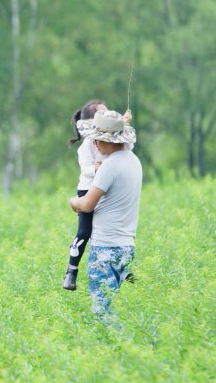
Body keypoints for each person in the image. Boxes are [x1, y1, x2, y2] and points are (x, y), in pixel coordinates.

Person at [68, 110, 141, 320]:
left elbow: (87, 205)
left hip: (105, 250)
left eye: (97, 140)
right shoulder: (134, 161)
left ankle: (114, 349)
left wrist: (73, 202)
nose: (96, 145)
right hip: (126, 247)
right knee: (113, 309)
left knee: (102, 313)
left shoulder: (109, 166)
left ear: (107, 140)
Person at [63, 100, 132, 291]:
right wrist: (96, 169)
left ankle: (121, 268)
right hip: (88, 189)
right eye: (104, 113)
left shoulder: (111, 142)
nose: (109, 113)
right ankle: (71, 270)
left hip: (107, 189)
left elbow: (126, 148)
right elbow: (85, 170)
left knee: (109, 232)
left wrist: (124, 125)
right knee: (84, 232)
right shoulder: (86, 146)